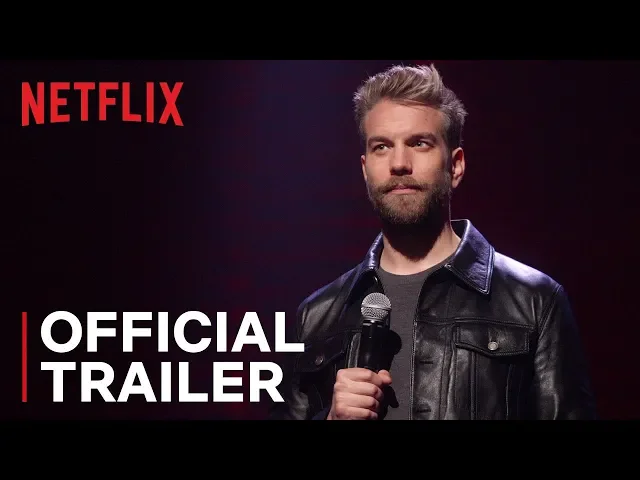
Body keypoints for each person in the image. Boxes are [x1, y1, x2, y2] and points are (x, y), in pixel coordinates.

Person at [269, 63, 597, 420]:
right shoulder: (317, 316)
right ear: (365, 169)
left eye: (419, 143)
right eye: (382, 146)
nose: (399, 163)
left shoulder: (535, 302)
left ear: (455, 166)